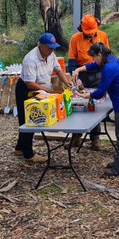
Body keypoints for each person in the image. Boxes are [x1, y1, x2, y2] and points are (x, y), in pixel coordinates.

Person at [72, 43, 119, 176]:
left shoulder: (109, 68)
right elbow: (95, 65)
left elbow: (100, 92)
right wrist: (79, 69)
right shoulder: (111, 59)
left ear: (99, 55)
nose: (93, 61)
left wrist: (86, 95)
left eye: (94, 57)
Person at [14, 33, 73, 161]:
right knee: (29, 120)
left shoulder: (50, 54)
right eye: (49, 47)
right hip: (26, 89)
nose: (52, 50)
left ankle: (19, 148)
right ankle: (28, 154)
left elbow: (58, 69)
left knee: (30, 119)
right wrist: (50, 90)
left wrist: (66, 81)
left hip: (42, 88)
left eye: (53, 48)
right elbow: (30, 84)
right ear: (40, 46)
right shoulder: (30, 59)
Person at [67, 14, 110, 150]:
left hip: (98, 74)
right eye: (88, 33)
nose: (91, 36)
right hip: (82, 74)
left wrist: (105, 76)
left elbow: (108, 58)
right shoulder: (75, 39)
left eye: (93, 33)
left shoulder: (102, 36)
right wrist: (76, 78)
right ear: (82, 29)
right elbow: (71, 62)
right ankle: (76, 136)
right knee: (77, 104)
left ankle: (95, 139)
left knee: (95, 105)